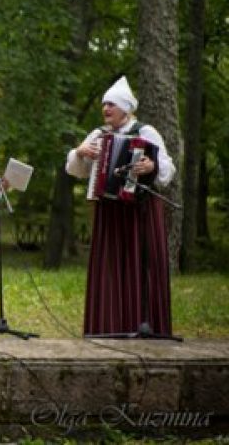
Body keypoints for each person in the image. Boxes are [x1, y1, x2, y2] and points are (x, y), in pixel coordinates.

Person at [66, 75, 175, 336]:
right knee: (110, 271)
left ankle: (144, 325)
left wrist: (152, 165)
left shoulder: (146, 133)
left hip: (141, 212)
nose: (106, 109)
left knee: (142, 269)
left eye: (111, 105)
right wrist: (80, 152)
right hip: (109, 213)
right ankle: (108, 326)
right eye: (104, 105)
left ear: (126, 109)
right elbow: (75, 170)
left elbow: (167, 169)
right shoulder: (98, 135)